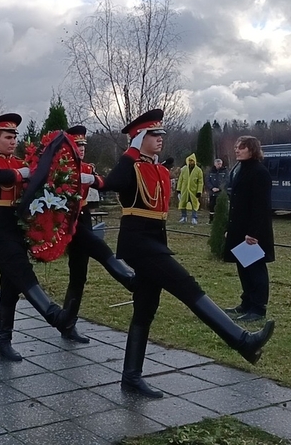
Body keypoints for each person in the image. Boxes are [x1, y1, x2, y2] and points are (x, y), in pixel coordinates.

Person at [102, 109, 275, 398]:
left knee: (145, 309)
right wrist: (131, 152)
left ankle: (131, 377)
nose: (160, 139)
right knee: (187, 287)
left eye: (160, 135)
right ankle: (242, 340)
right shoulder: (131, 165)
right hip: (139, 245)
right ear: (139, 139)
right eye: (153, 135)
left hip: (153, 242)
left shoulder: (154, 167)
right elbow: (112, 182)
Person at [0, 113, 75, 362]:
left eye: (14, 137)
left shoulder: (20, 161)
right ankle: (53, 315)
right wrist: (22, 174)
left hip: (16, 229)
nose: (12, 141)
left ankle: (3, 341)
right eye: (7, 137)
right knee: (20, 269)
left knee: (10, 287)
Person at [60, 125, 137, 344]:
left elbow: (103, 184)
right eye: (77, 145)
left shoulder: (86, 167)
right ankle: (129, 280)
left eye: (84, 145)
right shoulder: (60, 168)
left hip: (83, 216)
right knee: (99, 247)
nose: (82, 149)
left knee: (78, 274)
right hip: (69, 219)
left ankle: (67, 323)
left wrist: (95, 179)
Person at [223, 136, 275, 322]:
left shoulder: (260, 172)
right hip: (240, 229)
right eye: (236, 147)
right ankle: (246, 303)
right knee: (243, 268)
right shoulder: (240, 169)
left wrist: (253, 233)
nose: (237, 150)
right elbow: (237, 203)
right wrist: (232, 228)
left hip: (254, 233)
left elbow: (261, 206)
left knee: (255, 269)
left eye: (242, 147)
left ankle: (258, 309)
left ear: (252, 149)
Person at [177, 153, 204, 224]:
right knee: (182, 203)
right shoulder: (184, 169)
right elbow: (180, 179)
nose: (190, 162)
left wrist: (199, 191)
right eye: (189, 161)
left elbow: (200, 182)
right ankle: (184, 217)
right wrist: (178, 189)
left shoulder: (198, 170)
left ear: (195, 161)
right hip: (184, 190)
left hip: (193, 191)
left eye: (192, 161)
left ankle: (194, 218)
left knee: (194, 204)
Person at [207, 158, 228, 224]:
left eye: (220, 164)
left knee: (221, 206)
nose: (219, 165)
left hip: (221, 193)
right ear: (214, 164)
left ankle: (221, 220)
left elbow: (226, 181)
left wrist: (220, 188)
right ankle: (211, 220)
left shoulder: (225, 171)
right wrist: (212, 188)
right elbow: (207, 181)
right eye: (218, 164)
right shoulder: (210, 171)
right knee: (212, 206)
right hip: (212, 192)